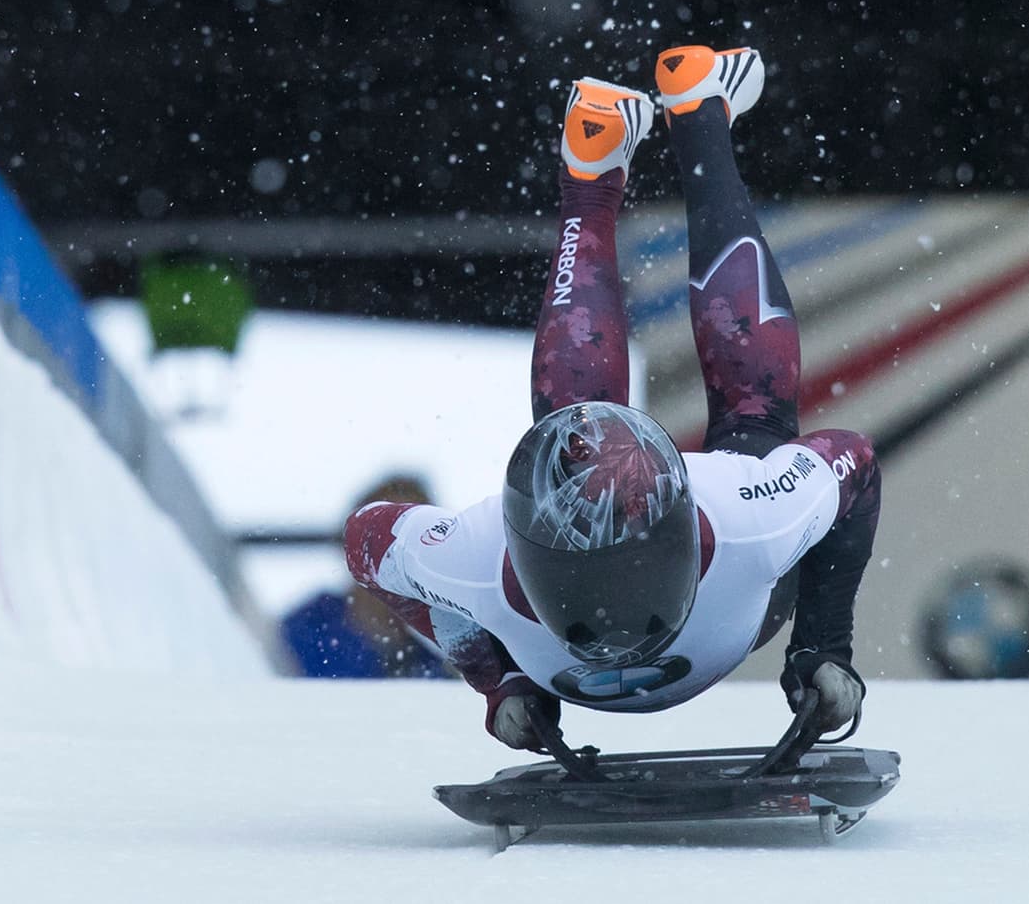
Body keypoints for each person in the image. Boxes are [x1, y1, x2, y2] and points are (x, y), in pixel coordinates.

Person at [344, 45, 881, 750]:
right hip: (729, 602)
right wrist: (821, 648)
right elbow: (854, 463)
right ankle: (696, 115)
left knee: (578, 430)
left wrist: (499, 675)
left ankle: (596, 178)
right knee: (754, 416)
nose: (613, 625)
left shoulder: (476, 559)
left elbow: (368, 540)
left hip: (694, 556)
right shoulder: (757, 514)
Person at [282, 475, 451, 679]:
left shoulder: (453, 643)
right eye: (379, 541)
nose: (394, 557)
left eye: (413, 544)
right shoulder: (306, 629)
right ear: (351, 550)